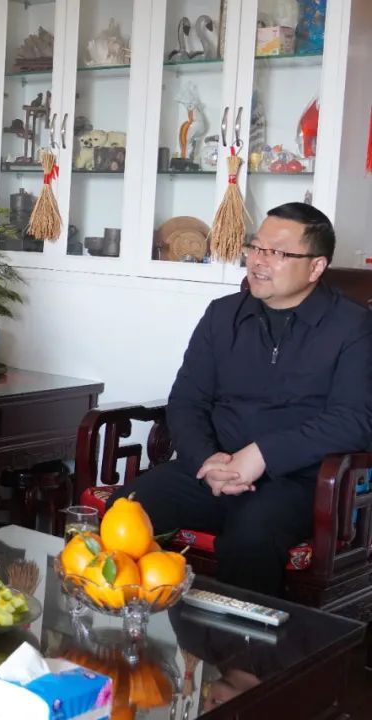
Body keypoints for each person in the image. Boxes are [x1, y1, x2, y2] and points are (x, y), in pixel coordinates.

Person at [109, 202, 372, 597]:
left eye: (278, 253)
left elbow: (353, 420)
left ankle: (237, 640)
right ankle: (126, 624)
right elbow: (187, 401)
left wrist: (263, 455)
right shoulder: (222, 315)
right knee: (127, 509)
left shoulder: (352, 327)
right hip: (214, 469)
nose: (259, 261)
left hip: (297, 483)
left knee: (251, 539)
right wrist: (206, 460)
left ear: (316, 267)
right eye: (256, 247)